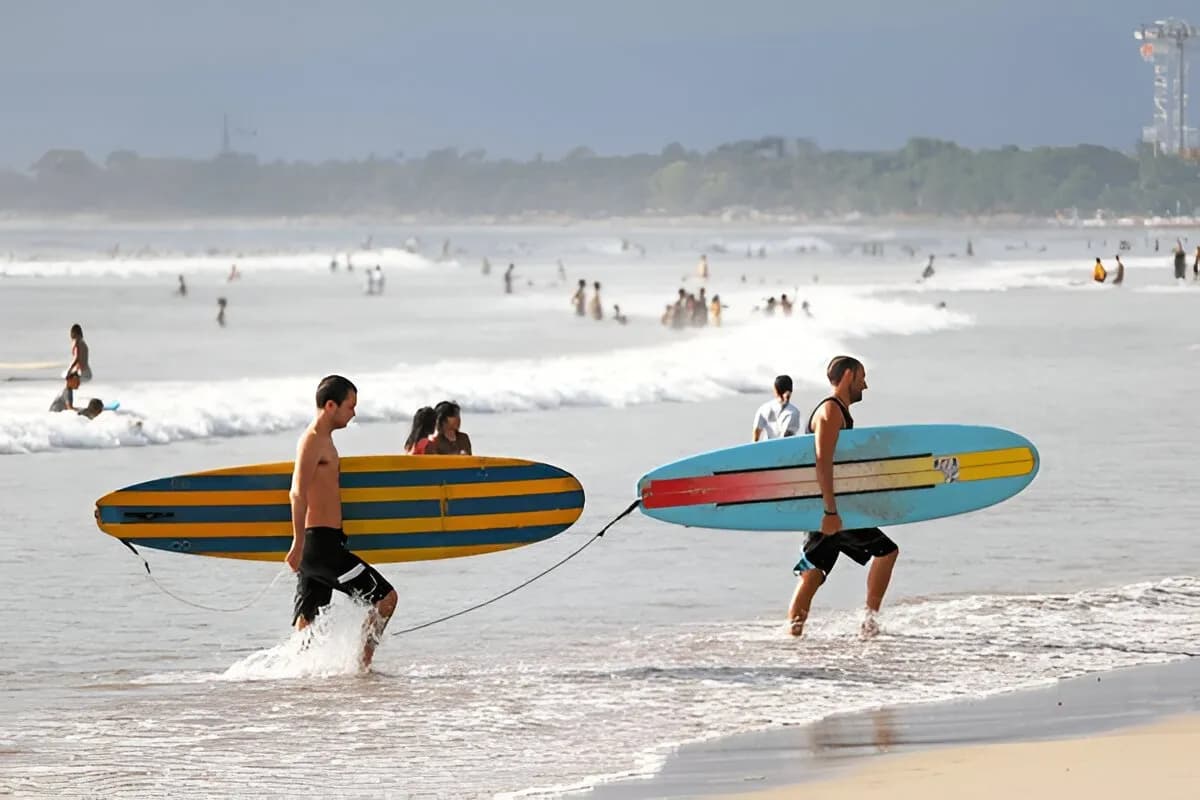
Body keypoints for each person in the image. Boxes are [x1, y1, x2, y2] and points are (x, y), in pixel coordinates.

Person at [287, 375, 397, 669]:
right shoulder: (312, 440)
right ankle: (362, 665)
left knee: (308, 623)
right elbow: (297, 492)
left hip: (323, 543)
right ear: (331, 405)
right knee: (386, 599)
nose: (354, 413)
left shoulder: (324, 441)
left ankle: (296, 677)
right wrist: (297, 542)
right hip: (321, 547)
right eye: (350, 406)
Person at [787, 356, 899, 639]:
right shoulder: (830, 411)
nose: (866, 384)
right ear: (848, 375)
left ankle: (793, 636)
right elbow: (821, 460)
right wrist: (830, 511)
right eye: (862, 376)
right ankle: (869, 622)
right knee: (886, 552)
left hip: (829, 507)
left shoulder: (839, 412)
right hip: (831, 509)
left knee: (813, 573)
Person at [752, 375, 800, 441]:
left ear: (775, 390)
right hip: (784, 449)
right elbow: (786, 439)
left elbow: (756, 434)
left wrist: (755, 448)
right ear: (791, 391)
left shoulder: (764, 408)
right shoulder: (794, 412)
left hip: (766, 447)